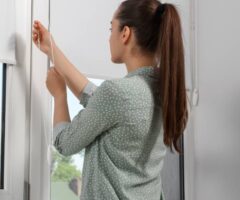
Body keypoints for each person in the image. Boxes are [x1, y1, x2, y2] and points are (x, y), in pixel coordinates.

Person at [32, 0, 188, 199]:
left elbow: (65, 143)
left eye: (111, 28)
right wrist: (50, 48)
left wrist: (59, 95)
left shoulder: (118, 94)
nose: (108, 37)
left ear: (125, 33)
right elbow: (100, 101)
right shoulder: (166, 92)